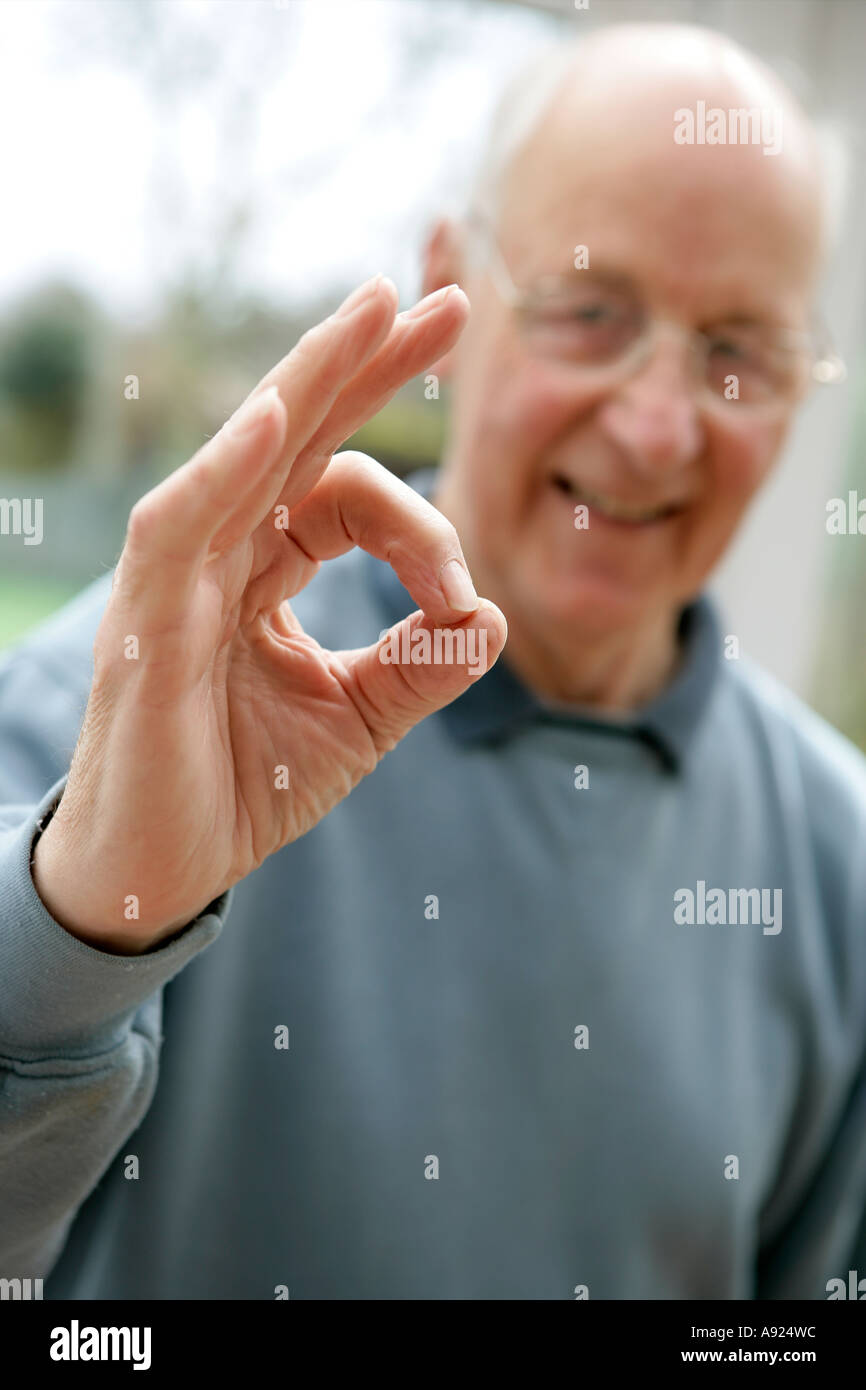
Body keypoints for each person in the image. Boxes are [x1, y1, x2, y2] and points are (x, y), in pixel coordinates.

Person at [1, 23, 864, 1300]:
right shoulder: (111, 716)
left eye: (736, 350)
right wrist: (82, 934)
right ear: (447, 286)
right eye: (588, 310)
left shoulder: (837, 862)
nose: (653, 423)